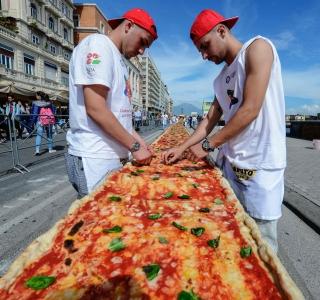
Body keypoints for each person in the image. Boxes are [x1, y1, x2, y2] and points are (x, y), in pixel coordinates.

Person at [163, 9, 286, 253]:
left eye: (205, 46)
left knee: (261, 244)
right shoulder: (220, 80)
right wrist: (182, 147)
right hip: (229, 165)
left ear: (221, 30)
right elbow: (210, 119)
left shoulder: (257, 48)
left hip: (259, 168)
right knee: (229, 235)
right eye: (200, 50)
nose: (204, 55)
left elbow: (250, 109)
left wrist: (208, 146)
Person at [65, 8, 157, 198]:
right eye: (143, 42)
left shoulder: (119, 59)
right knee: (97, 222)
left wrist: (142, 144)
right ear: (128, 26)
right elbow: (95, 108)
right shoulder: (98, 45)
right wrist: (136, 148)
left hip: (111, 157)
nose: (142, 51)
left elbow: (119, 116)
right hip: (95, 158)